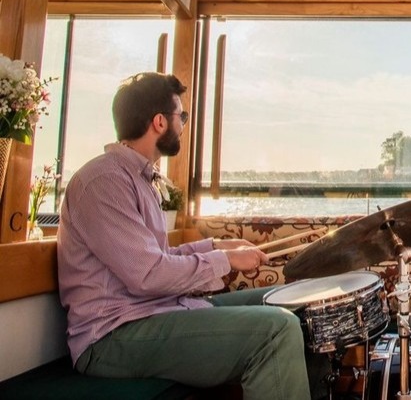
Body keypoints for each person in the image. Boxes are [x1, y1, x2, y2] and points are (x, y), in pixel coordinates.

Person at [57, 72, 316, 400]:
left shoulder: (138, 179)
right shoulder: (103, 182)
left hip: (156, 312)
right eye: (182, 116)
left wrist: (217, 245)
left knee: (293, 304)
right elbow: (148, 275)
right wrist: (224, 261)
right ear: (159, 123)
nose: (184, 125)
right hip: (112, 337)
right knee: (276, 329)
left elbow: (155, 258)